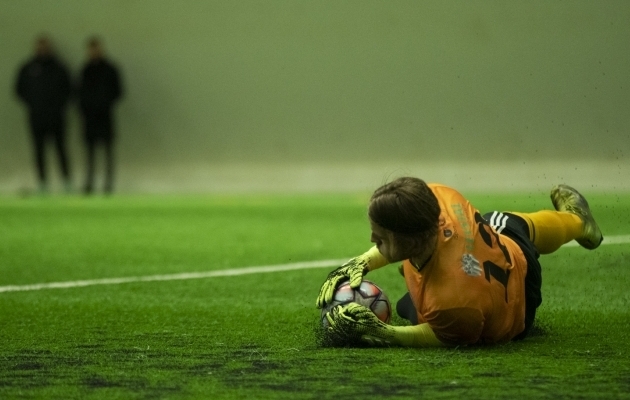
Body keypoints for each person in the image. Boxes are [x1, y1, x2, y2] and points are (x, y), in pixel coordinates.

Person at [316, 178, 603, 347]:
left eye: (380, 238)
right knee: (501, 221)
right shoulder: (439, 198)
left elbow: (445, 337)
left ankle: (579, 220)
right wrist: (360, 263)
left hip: (517, 312)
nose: (370, 240)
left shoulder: (449, 302)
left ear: (412, 240)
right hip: (506, 252)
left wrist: (384, 332)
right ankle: (577, 222)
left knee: (410, 309)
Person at [15, 35, 72, 193]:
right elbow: (19, 90)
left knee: (60, 149)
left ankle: (67, 182)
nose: (42, 49)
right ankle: (42, 183)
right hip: (37, 117)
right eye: (40, 46)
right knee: (39, 151)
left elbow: (69, 90)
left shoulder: (59, 67)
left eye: (45, 46)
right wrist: (34, 104)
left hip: (56, 117)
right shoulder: (28, 68)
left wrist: (59, 106)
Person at [77, 36, 123, 195]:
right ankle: (89, 182)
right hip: (89, 118)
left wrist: (104, 104)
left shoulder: (110, 70)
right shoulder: (85, 70)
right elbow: (79, 93)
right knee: (90, 153)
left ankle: (108, 184)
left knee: (108, 152)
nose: (94, 52)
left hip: (105, 116)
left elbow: (118, 92)